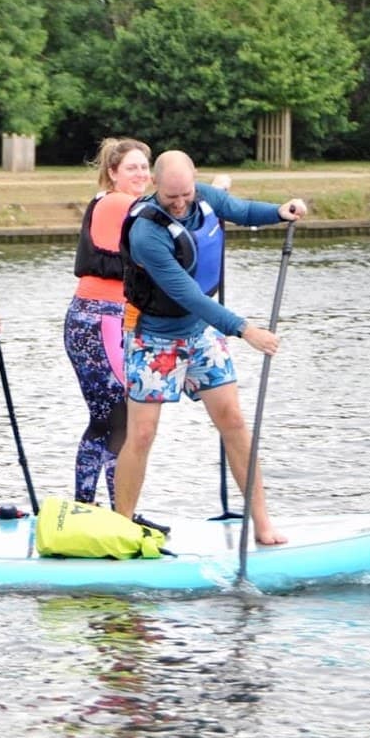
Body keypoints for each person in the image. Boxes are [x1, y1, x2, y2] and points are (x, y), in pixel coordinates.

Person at [113, 150, 305, 544]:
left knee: (234, 422)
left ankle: (263, 524)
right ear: (154, 187)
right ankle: (120, 527)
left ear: (194, 181)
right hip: (155, 339)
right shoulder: (145, 232)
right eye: (171, 198)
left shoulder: (202, 196)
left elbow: (241, 209)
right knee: (142, 436)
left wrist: (280, 211)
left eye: (185, 194)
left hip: (202, 335)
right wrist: (244, 329)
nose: (180, 204)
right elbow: (187, 294)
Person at [64, 138, 152, 505]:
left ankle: (102, 507)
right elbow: (166, 222)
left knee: (110, 419)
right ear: (113, 173)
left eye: (146, 167)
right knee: (117, 420)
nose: (141, 174)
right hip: (98, 321)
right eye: (132, 168)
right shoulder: (120, 203)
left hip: (101, 321)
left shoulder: (118, 202)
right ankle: (110, 510)